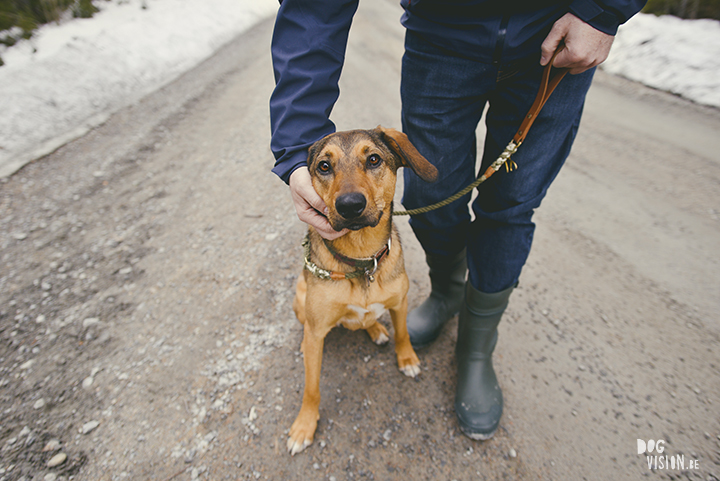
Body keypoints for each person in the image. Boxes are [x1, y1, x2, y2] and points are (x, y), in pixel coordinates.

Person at [269, 0, 645, 441]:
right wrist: (297, 148)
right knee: (434, 195)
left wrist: (602, 10)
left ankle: (476, 344)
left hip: (558, 35)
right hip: (442, 36)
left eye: (373, 162)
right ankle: (448, 292)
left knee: (511, 205)